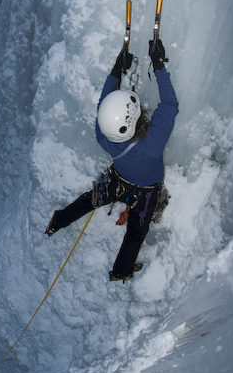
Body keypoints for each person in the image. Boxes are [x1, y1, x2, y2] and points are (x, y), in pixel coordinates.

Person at [45, 39, 179, 283]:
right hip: (146, 192)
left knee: (91, 199)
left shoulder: (104, 136)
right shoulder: (152, 145)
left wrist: (117, 69)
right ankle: (121, 270)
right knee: (136, 232)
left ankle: (58, 221)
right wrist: (157, 64)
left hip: (117, 180)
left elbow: (103, 107)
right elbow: (169, 104)